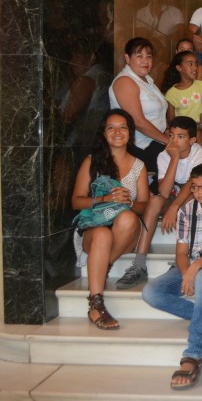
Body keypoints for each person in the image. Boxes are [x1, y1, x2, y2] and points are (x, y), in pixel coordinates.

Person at [142, 163, 202, 390]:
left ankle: (193, 353)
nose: (200, 192)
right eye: (195, 187)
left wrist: (195, 269)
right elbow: (180, 252)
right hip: (193, 264)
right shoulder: (186, 210)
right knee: (150, 292)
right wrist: (187, 272)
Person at [71, 109, 148, 330]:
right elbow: (76, 201)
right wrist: (105, 198)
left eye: (123, 127)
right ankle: (96, 304)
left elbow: (144, 204)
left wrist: (129, 203)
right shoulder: (91, 162)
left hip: (124, 233)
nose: (117, 132)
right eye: (111, 127)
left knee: (128, 217)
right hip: (94, 229)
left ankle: (102, 264)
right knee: (103, 234)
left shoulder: (138, 166)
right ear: (104, 133)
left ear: (130, 133)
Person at [117, 116, 202, 289]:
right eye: (172, 135)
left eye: (180, 137)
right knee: (155, 200)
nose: (174, 141)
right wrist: (174, 158)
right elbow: (164, 191)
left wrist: (174, 207)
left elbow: (193, 185)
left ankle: (183, 258)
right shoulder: (164, 155)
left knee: (192, 199)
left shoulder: (199, 153)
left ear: (192, 140)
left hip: (193, 197)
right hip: (172, 197)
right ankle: (139, 264)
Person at [109, 37, 169, 175]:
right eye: (139, 56)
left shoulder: (147, 80)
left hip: (156, 141)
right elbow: (137, 122)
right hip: (140, 146)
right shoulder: (125, 81)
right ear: (127, 58)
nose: (145, 60)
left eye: (149, 56)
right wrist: (168, 141)